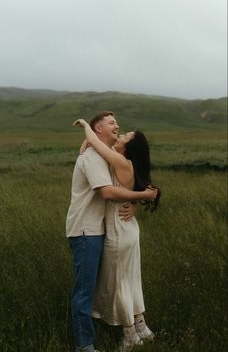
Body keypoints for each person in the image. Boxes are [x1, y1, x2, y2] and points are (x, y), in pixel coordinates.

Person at [66, 111, 158, 352]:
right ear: (100, 130)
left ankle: (130, 334)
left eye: (122, 130)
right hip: (88, 229)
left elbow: (113, 191)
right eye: (112, 124)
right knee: (101, 287)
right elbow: (109, 192)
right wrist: (144, 196)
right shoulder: (97, 157)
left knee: (119, 284)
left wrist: (139, 200)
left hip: (112, 230)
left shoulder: (112, 159)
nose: (118, 127)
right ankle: (86, 345)